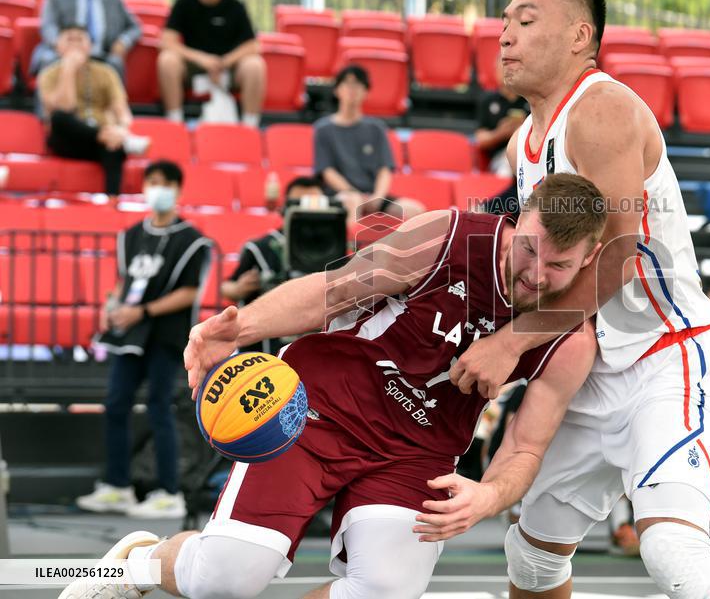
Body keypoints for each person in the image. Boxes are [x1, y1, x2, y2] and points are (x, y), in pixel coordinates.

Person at [59, 173, 603, 599]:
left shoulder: (572, 342)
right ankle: (138, 562)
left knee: (387, 589)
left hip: (415, 454)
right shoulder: (447, 236)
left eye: (558, 266)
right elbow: (333, 292)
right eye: (528, 248)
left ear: (590, 261)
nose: (535, 272)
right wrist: (240, 327)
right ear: (519, 219)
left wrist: (488, 495)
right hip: (319, 409)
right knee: (226, 579)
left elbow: (525, 446)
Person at [441, 0, 710, 599]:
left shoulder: (602, 109)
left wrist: (511, 343)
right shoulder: (521, 146)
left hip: (664, 357)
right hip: (585, 365)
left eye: (525, 22)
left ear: (581, 35)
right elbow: (542, 271)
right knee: (530, 559)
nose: (505, 37)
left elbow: (617, 255)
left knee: (672, 553)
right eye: (504, 23)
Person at [78, 161, 212, 519]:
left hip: (165, 334)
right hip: (130, 334)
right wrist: (111, 306)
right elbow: (123, 282)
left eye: (164, 183)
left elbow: (189, 292)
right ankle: (118, 485)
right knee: (116, 403)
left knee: (158, 407)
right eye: (151, 182)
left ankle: (169, 492)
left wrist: (145, 311)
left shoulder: (192, 240)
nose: (157, 189)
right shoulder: (131, 234)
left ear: (178, 189)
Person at [38, 25, 150, 196]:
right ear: (58, 46)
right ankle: (109, 136)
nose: (75, 44)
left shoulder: (106, 72)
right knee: (60, 117)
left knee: (114, 147)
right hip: (67, 139)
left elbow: (122, 112)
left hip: (99, 141)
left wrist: (121, 129)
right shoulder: (48, 74)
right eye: (69, 39)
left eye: (80, 39)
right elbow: (65, 108)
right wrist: (68, 69)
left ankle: (111, 201)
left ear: (90, 46)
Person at [158, 0, 265, 126]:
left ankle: (250, 127)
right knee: (167, 60)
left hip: (229, 68)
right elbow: (166, 41)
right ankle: (174, 122)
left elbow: (253, 45)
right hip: (193, 67)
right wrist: (202, 59)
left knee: (255, 65)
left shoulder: (235, 6)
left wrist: (223, 62)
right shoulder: (184, 3)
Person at [220, 176, 326, 353]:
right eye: (298, 203)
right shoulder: (261, 248)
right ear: (284, 209)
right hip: (267, 350)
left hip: (316, 347)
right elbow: (227, 287)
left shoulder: (333, 248)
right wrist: (239, 288)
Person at [313, 65, 424, 222]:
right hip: (342, 194)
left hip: (373, 194)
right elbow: (327, 172)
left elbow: (384, 169)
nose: (352, 89)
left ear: (366, 92)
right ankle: (353, 246)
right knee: (352, 202)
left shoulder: (376, 128)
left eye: (358, 85)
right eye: (347, 83)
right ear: (337, 90)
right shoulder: (323, 129)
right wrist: (353, 192)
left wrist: (377, 197)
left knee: (414, 210)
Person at [475, 55, 529, 175]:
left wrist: (522, 130)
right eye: (502, 68)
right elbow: (480, 139)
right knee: (506, 167)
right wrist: (500, 133)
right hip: (500, 157)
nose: (506, 72)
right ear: (495, 72)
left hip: (527, 154)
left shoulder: (530, 99)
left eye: (511, 68)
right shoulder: (488, 101)